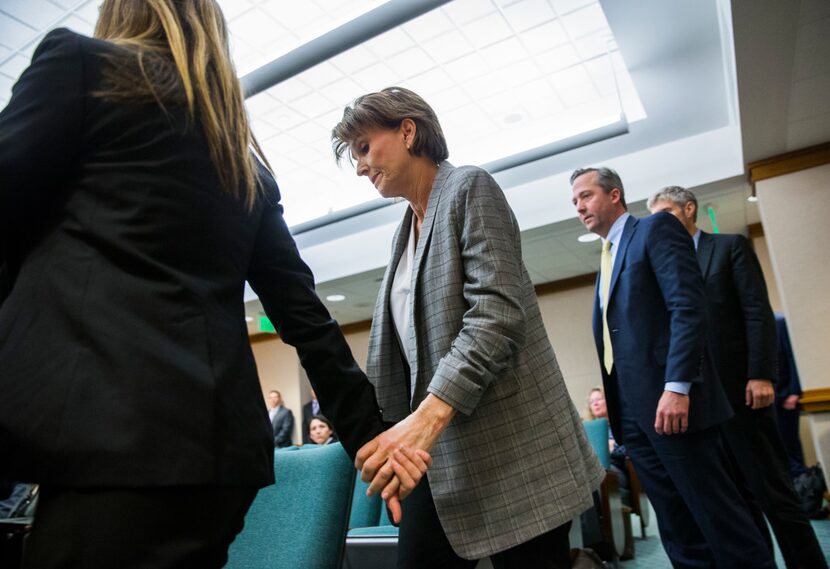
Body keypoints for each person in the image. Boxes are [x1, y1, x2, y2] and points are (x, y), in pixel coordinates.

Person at [0, 3, 427, 567]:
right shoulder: (240, 157)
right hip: (218, 463)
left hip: (107, 444)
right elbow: (305, 317)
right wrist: (371, 437)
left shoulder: (81, 66)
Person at [331, 87, 604, 569]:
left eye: (364, 148)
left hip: (515, 456)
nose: (359, 167)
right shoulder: (404, 232)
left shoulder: (469, 188)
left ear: (408, 131)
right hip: (439, 465)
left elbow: (496, 315)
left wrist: (425, 421)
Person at [570, 167, 774, 567]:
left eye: (586, 196)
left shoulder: (655, 230)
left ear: (614, 195)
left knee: (720, 519)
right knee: (676, 525)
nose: (580, 207)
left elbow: (688, 308)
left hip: (674, 404)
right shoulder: (606, 260)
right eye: (575, 202)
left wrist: (678, 386)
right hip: (633, 415)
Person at [648, 186, 826, 568]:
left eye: (666, 213)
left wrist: (760, 375)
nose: (659, 223)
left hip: (743, 394)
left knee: (775, 495)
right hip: (704, 405)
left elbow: (757, 313)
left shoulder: (729, 247)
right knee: (738, 504)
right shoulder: (665, 266)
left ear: (688, 209)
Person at [774, 312, 809, 478]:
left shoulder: (779, 322)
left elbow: (792, 357)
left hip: (784, 396)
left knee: (791, 449)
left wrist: (794, 392)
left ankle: (804, 492)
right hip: (762, 402)